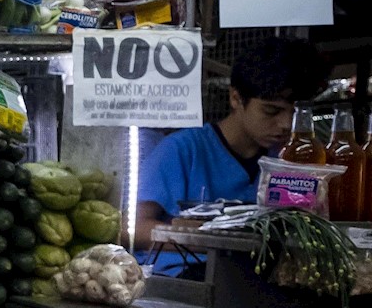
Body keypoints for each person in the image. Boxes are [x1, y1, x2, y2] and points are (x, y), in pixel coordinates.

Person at [134, 37, 330, 274]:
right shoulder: (182, 150)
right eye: (272, 110)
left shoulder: (288, 159)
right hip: (185, 276)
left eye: (295, 113)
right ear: (236, 98)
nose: (286, 124)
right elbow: (133, 228)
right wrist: (198, 239)